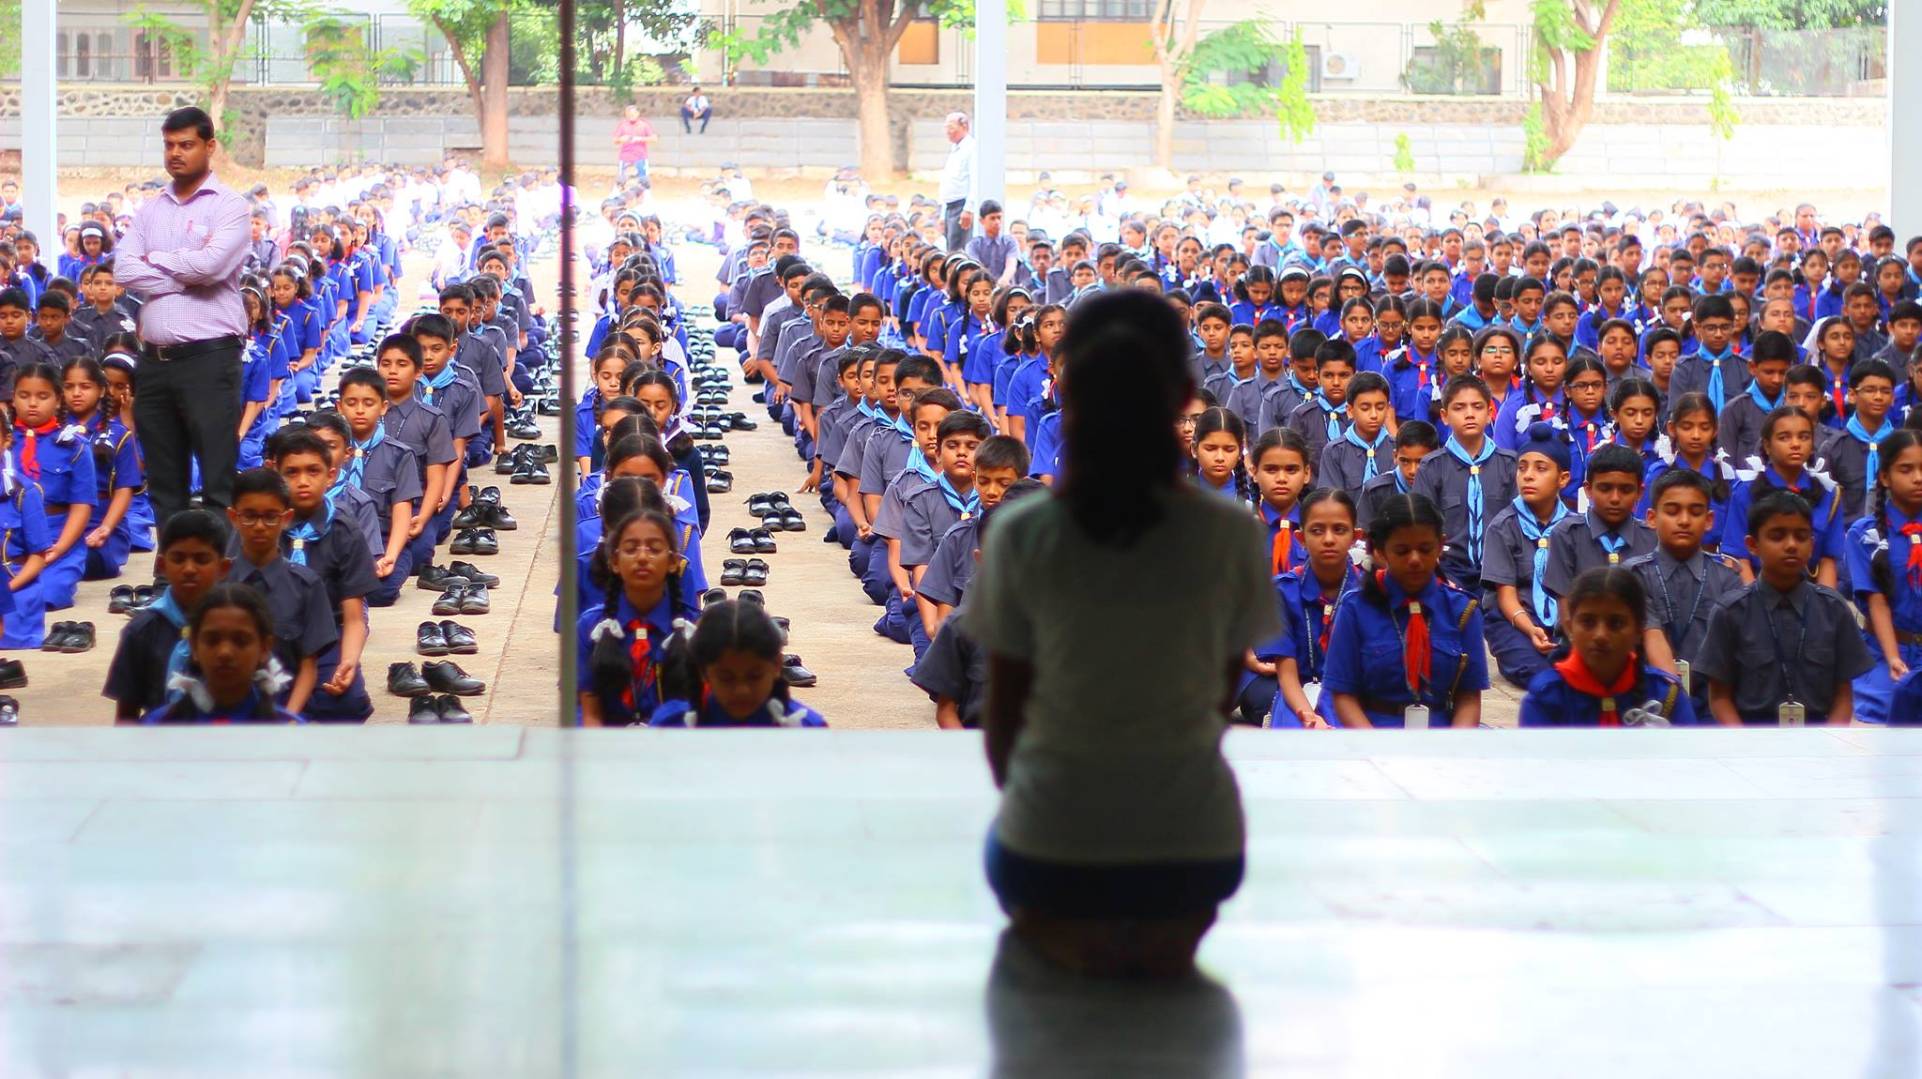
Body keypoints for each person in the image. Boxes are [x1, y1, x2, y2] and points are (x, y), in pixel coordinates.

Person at [969, 290, 1279, 978]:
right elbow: (1219, 697)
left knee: (1064, 967)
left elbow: (1003, 719)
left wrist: (1048, 806)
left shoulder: (1020, 534)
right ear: (1186, 401)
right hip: (1194, 851)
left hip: (1050, 848)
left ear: (1065, 391)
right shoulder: (1232, 535)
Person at [112, 107, 253, 528]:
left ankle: (219, 563)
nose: (175, 153)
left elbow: (211, 267)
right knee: (164, 482)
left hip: (209, 359)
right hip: (154, 363)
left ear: (209, 146)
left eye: (186, 144)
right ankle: (171, 564)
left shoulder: (230, 206)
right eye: (169, 145)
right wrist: (183, 273)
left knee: (217, 481)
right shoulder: (151, 209)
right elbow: (123, 270)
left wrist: (155, 260)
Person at [1696, 489, 1874, 724]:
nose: (1791, 545)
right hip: (1751, 735)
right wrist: (1743, 743)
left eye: (1801, 536)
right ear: (1752, 545)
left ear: (1812, 545)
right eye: (1777, 536)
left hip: (1819, 736)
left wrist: (1830, 740)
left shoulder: (1834, 610)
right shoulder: (1730, 612)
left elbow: (1843, 695)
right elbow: (1719, 697)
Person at [1319, 492, 1488, 728]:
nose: (1415, 559)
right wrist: (1374, 747)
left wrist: (1452, 746)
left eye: (1425, 549)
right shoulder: (1355, 608)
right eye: (1402, 551)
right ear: (1380, 550)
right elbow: (1343, 695)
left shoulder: (1463, 610)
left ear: (1441, 545)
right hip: (1372, 732)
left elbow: (1469, 698)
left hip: (1442, 735)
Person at [1519, 568, 1695, 726]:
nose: (1601, 635)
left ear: (1639, 630)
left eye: (1616, 623)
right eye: (1588, 622)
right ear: (1570, 627)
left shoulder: (1666, 695)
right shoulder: (1546, 697)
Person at [104, 509, 231, 721]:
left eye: (201, 559)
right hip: (158, 737)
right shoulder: (142, 630)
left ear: (223, 568)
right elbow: (126, 715)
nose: (189, 569)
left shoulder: (237, 627)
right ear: (162, 566)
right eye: (178, 559)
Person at [138, 583, 303, 725]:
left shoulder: (289, 733)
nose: (225, 652)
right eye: (212, 640)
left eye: (240, 641)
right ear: (194, 646)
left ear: (265, 648)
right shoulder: (159, 728)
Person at [649, 601, 826, 728]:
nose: (742, 690)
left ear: (776, 665)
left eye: (754, 676)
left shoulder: (805, 729)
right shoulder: (671, 727)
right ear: (703, 671)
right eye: (726, 678)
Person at [939, 112, 975, 252]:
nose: (947, 131)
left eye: (951, 127)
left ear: (964, 126)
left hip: (961, 206)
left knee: (959, 251)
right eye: (946, 127)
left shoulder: (971, 148)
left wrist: (968, 209)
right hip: (950, 206)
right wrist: (943, 214)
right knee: (950, 249)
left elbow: (974, 181)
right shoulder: (955, 150)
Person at [613, 105, 657, 187]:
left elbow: (654, 139)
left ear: (638, 114)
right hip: (625, 157)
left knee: (644, 181)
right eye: (629, 114)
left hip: (640, 157)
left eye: (633, 113)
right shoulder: (623, 125)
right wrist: (621, 139)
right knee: (621, 181)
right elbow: (615, 140)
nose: (631, 115)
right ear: (626, 115)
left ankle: (644, 194)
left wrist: (639, 139)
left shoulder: (644, 125)